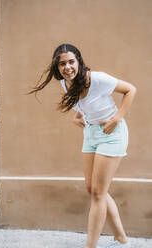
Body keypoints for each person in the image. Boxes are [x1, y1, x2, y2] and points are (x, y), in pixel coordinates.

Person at [28, 44, 136, 248]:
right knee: (93, 189)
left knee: (98, 193)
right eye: (62, 63)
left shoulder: (98, 79)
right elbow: (84, 102)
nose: (67, 67)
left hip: (112, 134)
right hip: (91, 134)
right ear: (56, 67)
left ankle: (90, 246)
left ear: (79, 61)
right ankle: (122, 240)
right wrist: (79, 116)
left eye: (71, 61)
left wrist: (116, 119)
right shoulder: (65, 83)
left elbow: (131, 90)